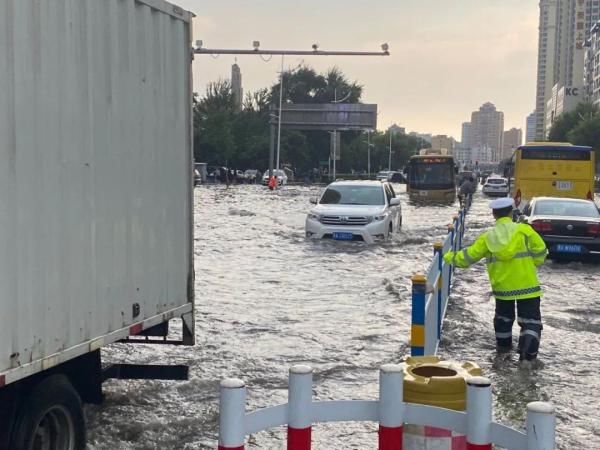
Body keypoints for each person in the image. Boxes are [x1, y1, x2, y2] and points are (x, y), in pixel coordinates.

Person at [443, 197, 548, 369]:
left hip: (502, 289)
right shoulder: (524, 231)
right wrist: (532, 264)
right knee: (531, 322)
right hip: (528, 287)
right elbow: (541, 252)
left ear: (494, 214)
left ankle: (503, 354)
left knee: (503, 320)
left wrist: (447, 257)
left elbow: (467, 258)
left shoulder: (488, 237)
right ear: (511, 212)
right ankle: (526, 360)